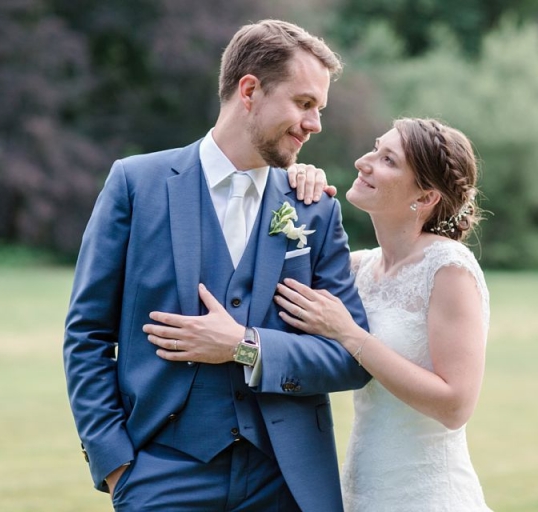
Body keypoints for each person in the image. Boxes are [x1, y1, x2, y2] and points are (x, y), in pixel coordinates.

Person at [63, 19, 370, 512]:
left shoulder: (314, 207)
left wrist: (245, 348)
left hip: (286, 482)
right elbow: (88, 334)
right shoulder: (136, 185)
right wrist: (117, 466)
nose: (315, 124)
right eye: (304, 103)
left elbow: (352, 357)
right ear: (250, 90)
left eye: (319, 109)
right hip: (160, 475)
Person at [277, 117, 493, 511]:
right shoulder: (361, 269)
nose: (364, 161)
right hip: (361, 490)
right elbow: (278, 283)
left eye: (388, 160)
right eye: (376, 148)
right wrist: (292, 186)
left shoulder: (448, 269)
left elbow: (456, 406)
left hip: (427, 496)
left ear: (425, 197)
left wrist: (351, 335)